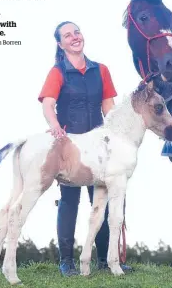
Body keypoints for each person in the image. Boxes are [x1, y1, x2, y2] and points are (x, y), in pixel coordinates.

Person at [38, 21, 132, 276]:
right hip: (71, 146)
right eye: (67, 35)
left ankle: (105, 259)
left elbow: (109, 109)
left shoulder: (101, 70)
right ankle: (66, 261)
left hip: (99, 146)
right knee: (69, 200)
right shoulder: (58, 72)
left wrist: (121, 139)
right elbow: (48, 104)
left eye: (76, 32)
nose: (74, 37)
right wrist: (55, 126)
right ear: (60, 44)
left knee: (102, 197)